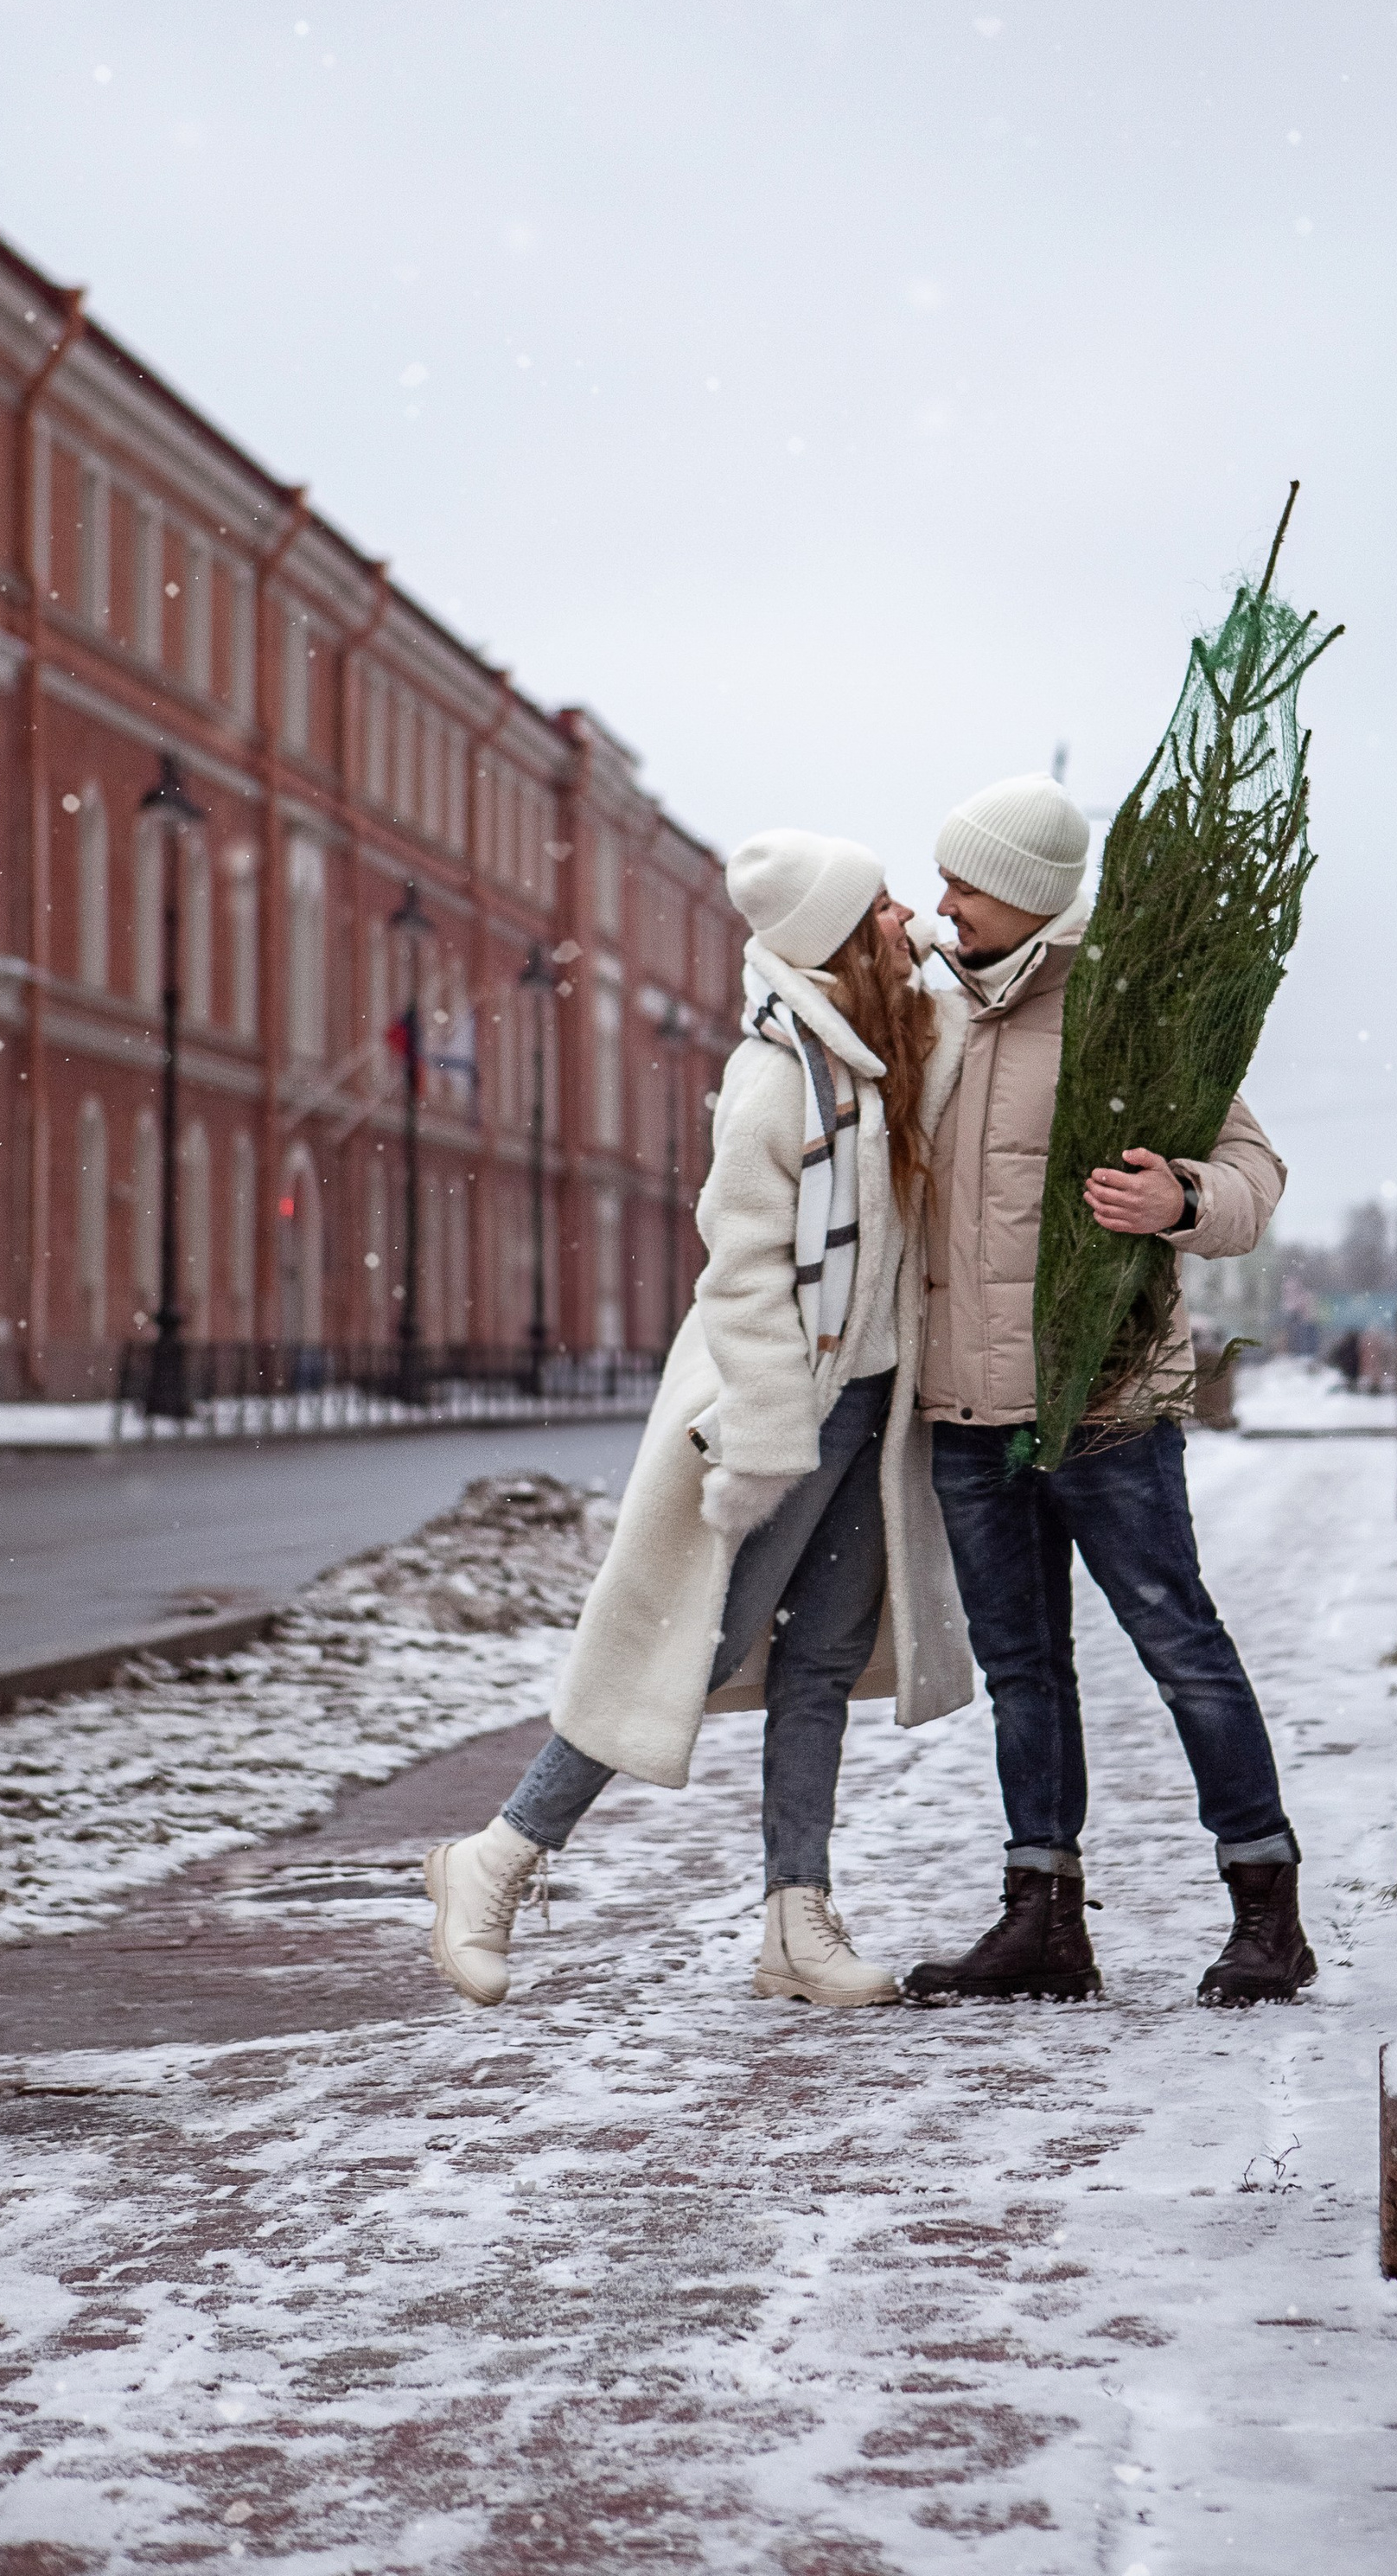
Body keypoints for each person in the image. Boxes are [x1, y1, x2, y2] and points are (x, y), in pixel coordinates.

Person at [424, 828, 972, 2013]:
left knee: (821, 1661)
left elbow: (970, 1029)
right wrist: (771, 1435)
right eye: (881, 907)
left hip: (873, 1411)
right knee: (690, 1646)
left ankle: (795, 1924)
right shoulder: (782, 1078)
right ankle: (498, 1857)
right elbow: (741, 1272)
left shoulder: (880, 1058)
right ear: (837, 939)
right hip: (785, 1413)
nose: (904, 918)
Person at [901, 770, 1313, 2010]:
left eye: (964, 884)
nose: (943, 902)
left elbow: (1252, 1172)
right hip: (969, 1415)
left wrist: (1182, 1197)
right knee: (1022, 1670)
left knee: (1178, 1643)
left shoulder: (1131, 1011)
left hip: (1106, 1401)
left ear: (1027, 895)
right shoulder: (934, 1017)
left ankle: (1267, 1909)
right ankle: (1044, 1922)